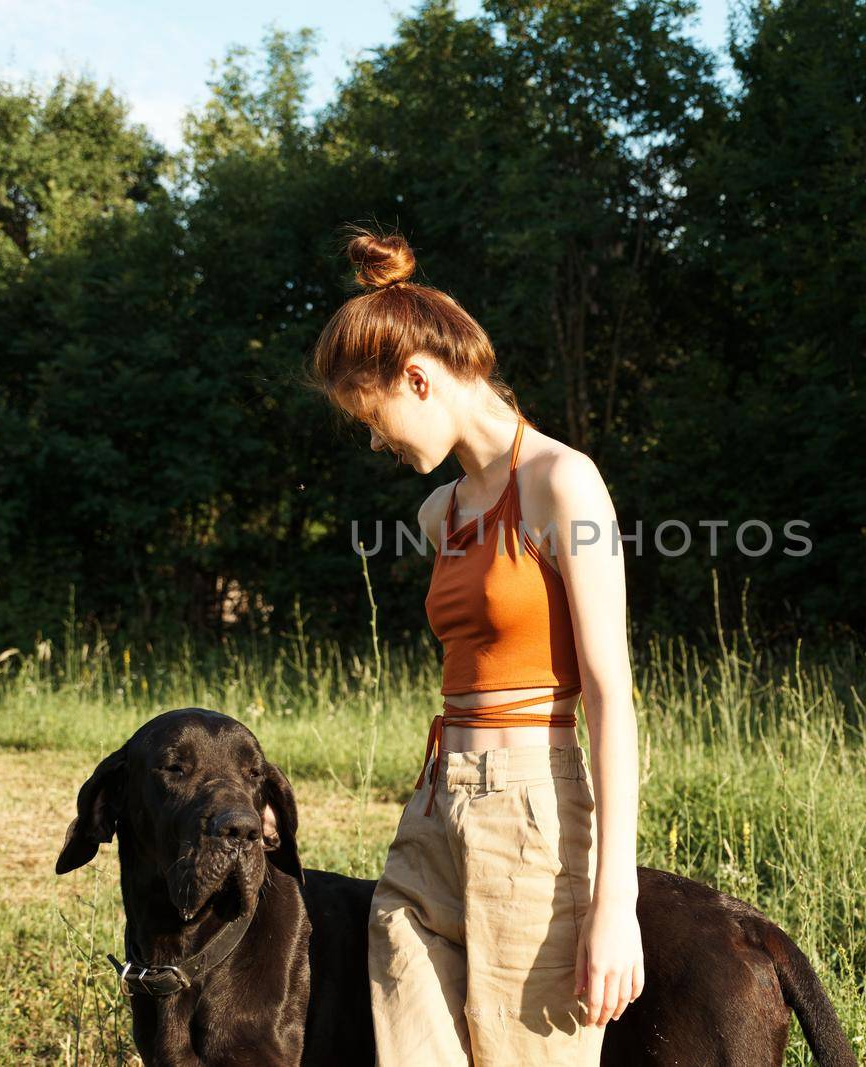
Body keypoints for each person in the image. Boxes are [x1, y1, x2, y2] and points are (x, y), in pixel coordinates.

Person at [309, 223, 644, 1065]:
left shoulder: (565, 483)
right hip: (434, 806)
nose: (378, 442)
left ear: (417, 378)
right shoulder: (439, 513)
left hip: (532, 815)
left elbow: (610, 695)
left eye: (373, 418)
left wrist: (616, 900)